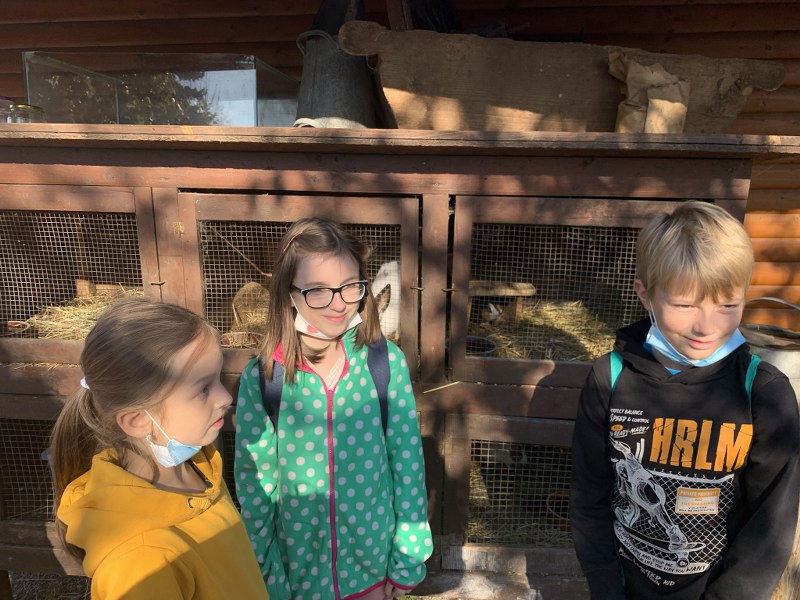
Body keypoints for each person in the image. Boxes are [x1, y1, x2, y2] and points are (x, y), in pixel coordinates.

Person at [570, 201, 800, 599]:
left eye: (728, 305)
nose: (706, 326)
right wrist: (606, 587)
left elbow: (770, 524)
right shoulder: (609, 377)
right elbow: (589, 493)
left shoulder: (763, 392)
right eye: (684, 305)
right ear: (646, 295)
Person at [234, 217, 432, 600]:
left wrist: (408, 558)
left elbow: (407, 464)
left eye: (350, 286)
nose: (339, 304)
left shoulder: (384, 364)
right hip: (296, 578)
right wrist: (266, 574)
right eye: (317, 291)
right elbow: (255, 487)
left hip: (373, 572)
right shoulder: (264, 378)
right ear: (288, 293)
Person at [50, 297, 269, 600]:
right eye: (203, 388)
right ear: (138, 420)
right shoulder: (140, 561)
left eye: (218, 378)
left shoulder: (198, 468)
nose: (225, 398)